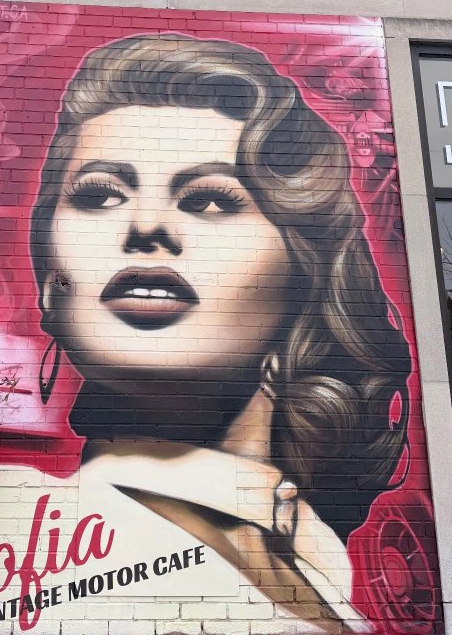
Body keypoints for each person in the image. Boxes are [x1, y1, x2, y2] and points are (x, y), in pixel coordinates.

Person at [24, 34, 412, 633]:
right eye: (100, 195)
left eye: (207, 200)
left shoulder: (318, 560)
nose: (146, 226)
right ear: (52, 283)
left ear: (302, 275)